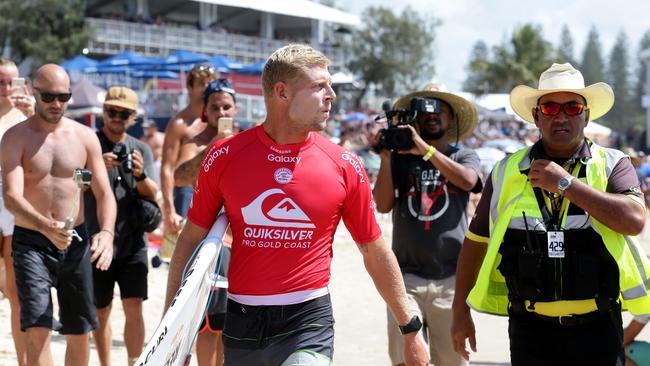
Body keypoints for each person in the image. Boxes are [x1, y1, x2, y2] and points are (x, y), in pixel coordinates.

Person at [165, 44, 429, 366]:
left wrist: (410, 326)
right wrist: (171, 325)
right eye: (319, 86)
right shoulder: (225, 157)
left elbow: (374, 251)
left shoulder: (344, 164)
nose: (331, 95)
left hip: (308, 318)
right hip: (241, 320)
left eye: (329, 86)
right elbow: (191, 239)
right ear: (282, 92)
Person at [451, 63, 650, 366]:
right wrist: (459, 312)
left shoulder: (613, 163)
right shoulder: (506, 171)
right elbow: (476, 241)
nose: (560, 115)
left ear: (586, 114)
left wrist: (565, 184)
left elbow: (634, 221)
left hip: (598, 330)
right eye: (550, 106)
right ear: (536, 115)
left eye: (572, 107)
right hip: (530, 332)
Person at [0, 64, 116, 366]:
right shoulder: (15, 137)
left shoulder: (84, 137)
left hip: (74, 242)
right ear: (34, 93)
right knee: (38, 326)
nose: (57, 104)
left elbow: (104, 193)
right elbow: (11, 196)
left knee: (79, 332)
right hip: (31, 242)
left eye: (63, 97)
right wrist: (45, 225)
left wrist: (106, 233)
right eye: (49, 96)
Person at [373, 88, 482, 366]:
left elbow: (469, 182)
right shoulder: (400, 158)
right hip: (405, 278)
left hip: (451, 279)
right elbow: (383, 205)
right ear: (415, 118)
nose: (432, 116)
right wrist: (386, 158)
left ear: (450, 118)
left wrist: (424, 148)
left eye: (439, 111)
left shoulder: (463, 156)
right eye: (425, 111)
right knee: (406, 359)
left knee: (451, 360)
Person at [85, 86, 158, 366]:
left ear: (133, 117)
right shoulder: (89, 142)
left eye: (124, 113)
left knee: (134, 307)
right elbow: (72, 183)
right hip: (97, 240)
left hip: (133, 240)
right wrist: (95, 170)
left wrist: (139, 174)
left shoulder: (141, 149)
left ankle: (133, 361)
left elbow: (153, 193)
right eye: (112, 111)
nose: (116, 117)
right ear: (104, 112)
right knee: (101, 310)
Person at [173, 78, 237, 366]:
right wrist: (213, 147)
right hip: (207, 244)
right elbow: (181, 176)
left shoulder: (247, 143)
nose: (222, 113)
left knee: (231, 328)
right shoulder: (195, 143)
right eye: (215, 107)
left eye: (227, 107)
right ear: (205, 113)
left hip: (241, 246)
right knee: (207, 327)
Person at [0, 57, 34, 366]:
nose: (7, 88)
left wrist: (33, 116)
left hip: (12, 202)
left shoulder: (25, 117)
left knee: (15, 291)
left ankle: (24, 361)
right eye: (1, 81)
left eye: (12, 81)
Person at [160, 64, 218, 235]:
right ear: (189, 88)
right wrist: (169, 210)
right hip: (185, 193)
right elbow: (167, 168)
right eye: (202, 83)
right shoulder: (179, 124)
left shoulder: (216, 121)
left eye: (210, 83)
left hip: (212, 194)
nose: (207, 87)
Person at [139, 118, 164, 188]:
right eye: (146, 128)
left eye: (148, 127)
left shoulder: (162, 136)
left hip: (161, 163)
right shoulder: (143, 139)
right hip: (149, 164)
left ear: (153, 127)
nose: (146, 129)